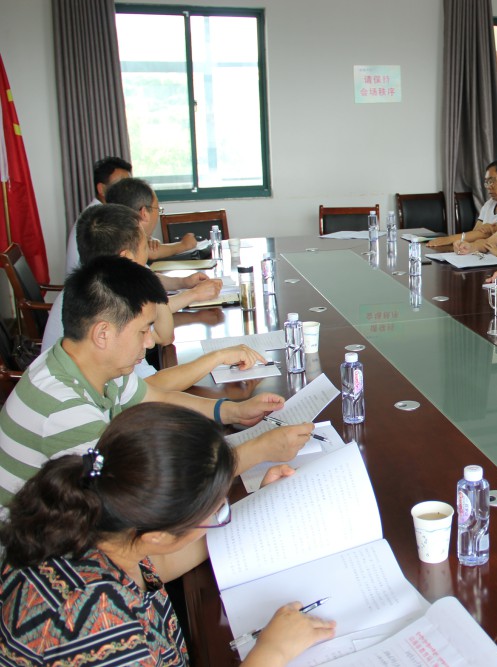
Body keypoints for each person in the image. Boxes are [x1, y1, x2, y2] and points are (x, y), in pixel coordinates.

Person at [0, 403, 336, 666]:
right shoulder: (95, 622)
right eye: (216, 511)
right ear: (158, 535)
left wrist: (259, 505)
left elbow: (156, 566)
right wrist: (273, 652)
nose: (219, 515)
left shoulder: (97, 523)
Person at [0, 256, 311, 505]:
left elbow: (154, 396)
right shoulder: (65, 410)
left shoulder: (85, 363)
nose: (150, 341)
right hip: (37, 554)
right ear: (103, 333)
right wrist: (258, 451)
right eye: (143, 330)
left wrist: (232, 411)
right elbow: (146, 495)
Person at [41, 204, 260, 390]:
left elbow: (162, 338)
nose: (150, 252)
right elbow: (152, 385)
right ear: (126, 258)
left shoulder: (96, 287)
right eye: (145, 244)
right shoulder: (111, 306)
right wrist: (218, 357)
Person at [65, 156, 133, 274]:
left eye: (129, 185)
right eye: (121, 185)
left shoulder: (103, 211)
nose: (128, 190)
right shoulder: (99, 219)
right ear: (101, 189)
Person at [428, 159, 497, 249]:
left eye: (491, 181)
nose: (488, 187)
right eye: (486, 182)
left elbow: (489, 233)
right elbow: (477, 232)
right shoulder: (490, 203)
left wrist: (449, 239)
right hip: (481, 252)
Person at [105, 177, 198, 260]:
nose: (158, 214)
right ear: (144, 213)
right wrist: (183, 245)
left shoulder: (108, 232)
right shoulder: (126, 245)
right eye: (157, 209)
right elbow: (151, 253)